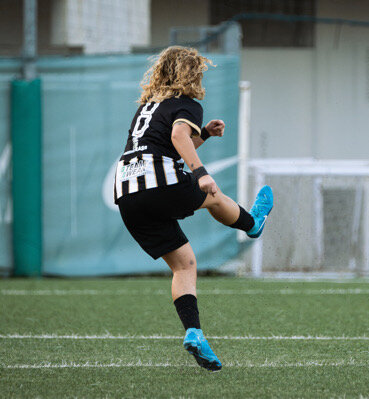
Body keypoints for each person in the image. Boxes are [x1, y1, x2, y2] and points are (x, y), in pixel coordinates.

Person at [114, 46, 273, 371]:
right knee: (213, 196)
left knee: (184, 265)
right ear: (190, 74)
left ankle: (194, 332)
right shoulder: (186, 104)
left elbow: (171, 142)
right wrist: (201, 173)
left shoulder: (147, 107)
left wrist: (205, 136)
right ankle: (252, 223)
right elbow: (176, 135)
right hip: (156, 179)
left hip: (127, 191)